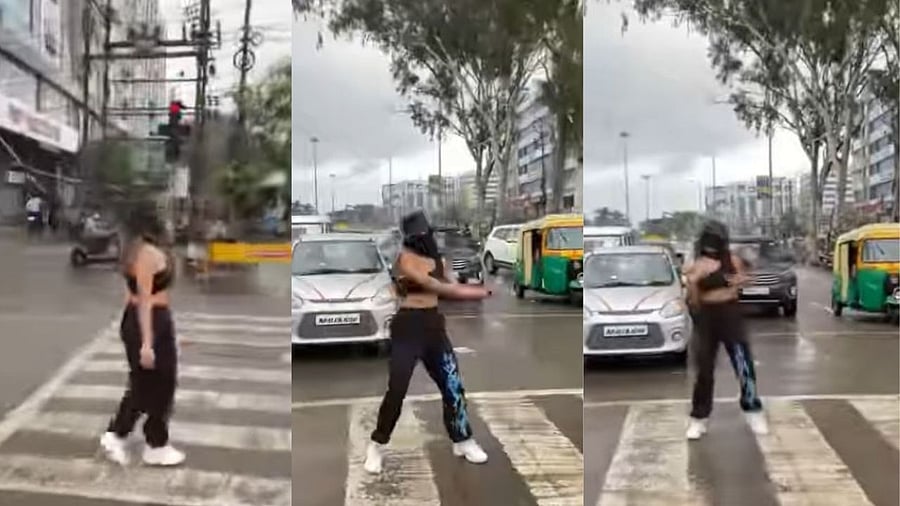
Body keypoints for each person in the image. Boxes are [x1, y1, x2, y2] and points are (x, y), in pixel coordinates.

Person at [364, 210, 492, 474]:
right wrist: (468, 290)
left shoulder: (439, 259)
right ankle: (376, 446)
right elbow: (434, 285)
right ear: (409, 237)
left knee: (452, 385)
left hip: (433, 326)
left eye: (424, 232)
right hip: (407, 327)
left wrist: (459, 281)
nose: (422, 237)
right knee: (397, 390)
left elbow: (450, 283)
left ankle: (463, 440)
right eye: (416, 234)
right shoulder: (404, 259)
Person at [100, 202, 185, 466]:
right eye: (164, 217)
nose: (170, 221)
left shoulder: (144, 249)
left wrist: (163, 331)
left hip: (155, 320)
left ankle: (154, 441)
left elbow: (135, 295)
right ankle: (119, 434)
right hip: (144, 321)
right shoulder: (145, 253)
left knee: (163, 382)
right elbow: (144, 299)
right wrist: (146, 343)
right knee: (146, 384)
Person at [683, 220, 768, 440]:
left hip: (730, 316)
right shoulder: (694, 263)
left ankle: (753, 411)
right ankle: (698, 418)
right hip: (706, 319)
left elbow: (740, 285)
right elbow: (693, 302)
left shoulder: (732, 260)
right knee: (704, 370)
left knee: (743, 364)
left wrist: (728, 280)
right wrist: (694, 281)